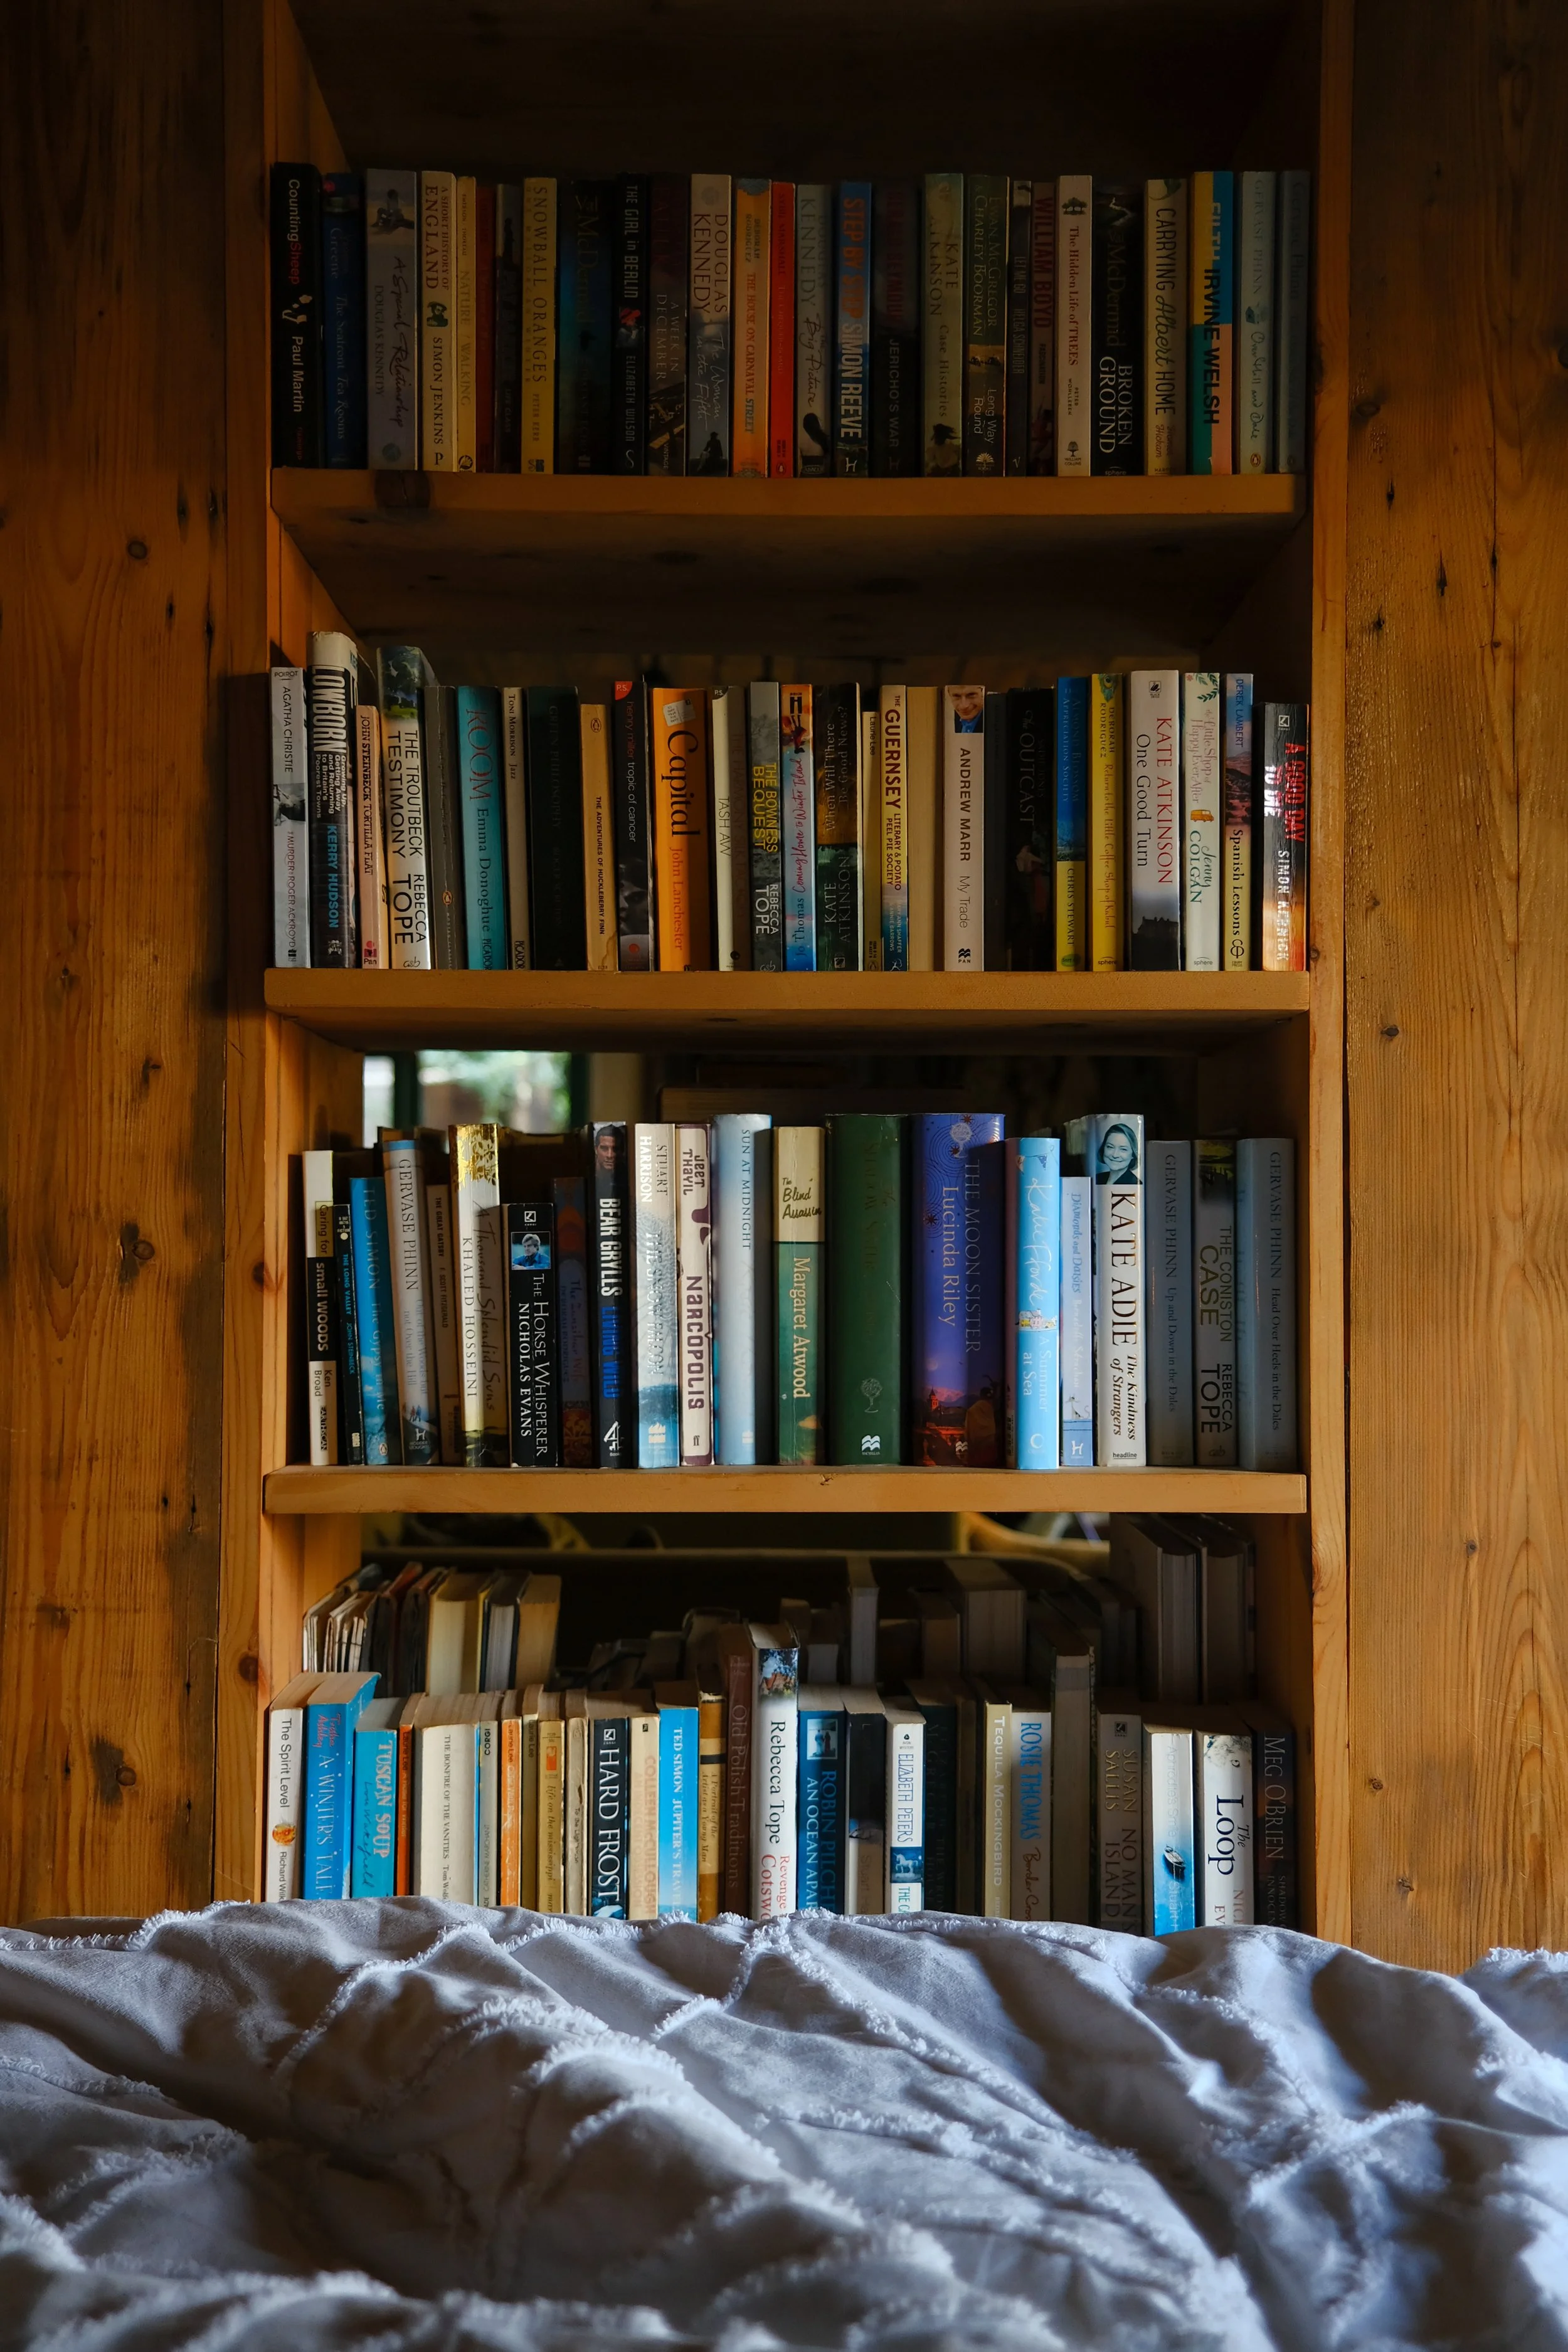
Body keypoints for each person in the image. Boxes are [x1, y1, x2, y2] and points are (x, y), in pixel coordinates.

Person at [1095, 1121, 1140, 1187]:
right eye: (1110, 1147)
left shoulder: (1135, 1184)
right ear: (1103, 1148)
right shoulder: (1098, 1178)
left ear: (1133, 1155)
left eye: (1123, 1149)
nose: (1115, 1155)